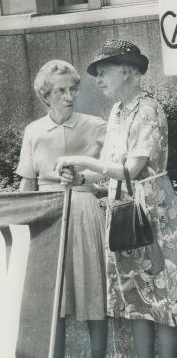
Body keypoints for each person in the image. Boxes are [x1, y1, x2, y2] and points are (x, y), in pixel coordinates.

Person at [55, 39, 177, 358]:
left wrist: (83, 162)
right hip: (123, 208)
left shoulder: (148, 108)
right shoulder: (117, 111)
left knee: (165, 294)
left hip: (152, 208)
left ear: (127, 71)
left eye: (104, 71)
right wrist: (80, 178)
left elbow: (131, 168)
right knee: (135, 296)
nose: (99, 79)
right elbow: (109, 170)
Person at [16, 60, 108, 358]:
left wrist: (84, 178)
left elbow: (111, 177)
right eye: (60, 91)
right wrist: (21, 230)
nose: (69, 96)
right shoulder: (33, 131)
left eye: (73, 89)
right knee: (52, 297)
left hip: (84, 212)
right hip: (47, 218)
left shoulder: (95, 125)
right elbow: (27, 184)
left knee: (93, 291)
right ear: (45, 96)